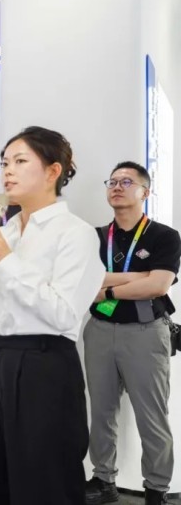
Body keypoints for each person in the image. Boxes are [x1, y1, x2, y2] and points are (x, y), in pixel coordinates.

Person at [0, 126, 105, 504]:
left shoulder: (75, 233)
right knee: (1, 473)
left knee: (45, 476)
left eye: (19, 161)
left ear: (53, 171)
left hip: (44, 363)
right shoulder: (9, 229)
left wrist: (8, 261)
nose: (8, 171)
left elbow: (64, 314)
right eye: (4, 163)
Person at [84, 161, 179, 505]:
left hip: (145, 333)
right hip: (99, 330)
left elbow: (158, 285)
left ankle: (156, 488)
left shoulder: (164, 236)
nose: (117, 187)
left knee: (151, 416)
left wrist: (108, 289)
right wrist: (138, 277)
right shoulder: (95, 237)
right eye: (112, 181)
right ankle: (103, 480)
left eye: (126, 182)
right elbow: (86, 280)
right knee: (101, 411)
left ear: (145, 191)